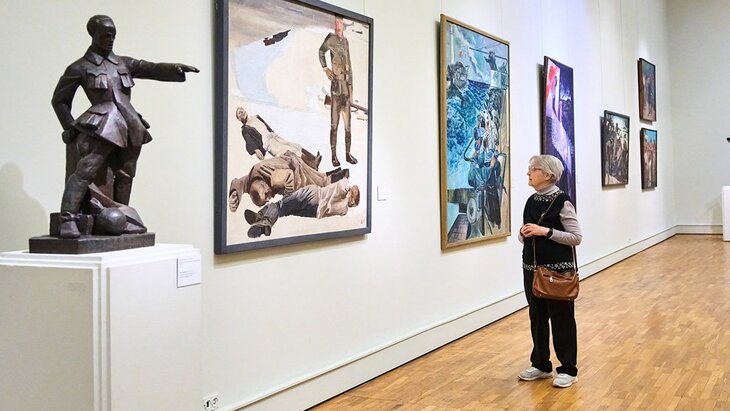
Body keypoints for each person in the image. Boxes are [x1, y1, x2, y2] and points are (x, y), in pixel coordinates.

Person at [51, 15, 199, 238]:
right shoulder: (79, 67)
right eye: (105, 35)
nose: (110, 39)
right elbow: (60, 100)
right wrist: (69, 126)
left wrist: (174, 69)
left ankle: (121, 217)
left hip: (129, 123)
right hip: (101, 124)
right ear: (93, 34)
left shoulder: (123, 63)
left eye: (113, 35)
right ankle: (68, 219)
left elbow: (150, 68)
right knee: (86, 170)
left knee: (126, 174)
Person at [518, 154, 582, 388]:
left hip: (557, 273)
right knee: (537, 317)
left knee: (561, 319)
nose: (528, 172)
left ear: (548, 175)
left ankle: (568, 369)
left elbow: (576, 237)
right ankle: (540, 364)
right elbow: (526, 235)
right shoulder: (531, 200)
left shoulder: (562, 201)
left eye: (533, 169)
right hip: (531, 269)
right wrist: (523, 233)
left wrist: (545, 231)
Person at [228, 150, 348, 210]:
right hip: (290, 160)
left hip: (294, 169)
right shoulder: (252, 180)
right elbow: (238, 182)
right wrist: (234, 192)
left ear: (263, 184)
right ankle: (339, 174)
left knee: (321, 184)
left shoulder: (274, 178)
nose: (269, 198)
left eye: (266, 195)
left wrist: (289, 196)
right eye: (266, 200)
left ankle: (342, 175)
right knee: (319, 178)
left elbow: (289, 176)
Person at [244, 178, 360, 238]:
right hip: (315, 212)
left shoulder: (344, 190)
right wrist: (350, 196)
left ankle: (264, 221)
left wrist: (350, 189)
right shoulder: (344, 210)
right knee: (283, 210)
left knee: (280, 206)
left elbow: (343, 185)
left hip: (314, 195)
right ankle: (260, 218)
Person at [319, 16, 356, 167]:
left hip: (346, 89)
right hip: (335, 89)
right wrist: (326, 69)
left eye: (340, 21)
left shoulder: (346, 41)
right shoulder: (330, 38)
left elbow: (350, 66)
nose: (337, 24)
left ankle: (347, 154)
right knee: (334, 126)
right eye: (336, 21)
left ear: (343, 24)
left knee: (348, 127)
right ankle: (334, 156)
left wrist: (351, 90)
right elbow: (321, 52)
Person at [235, 107, 321, 170]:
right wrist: (257, 151)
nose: (241, 113)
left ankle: (314, 159)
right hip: (269, 144)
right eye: (239, 113)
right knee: (290, 151)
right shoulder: (245, 129)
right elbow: (250, 142)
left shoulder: (256, 117)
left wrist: (274, 134)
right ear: (239, 119)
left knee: (295, 146)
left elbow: (266, 126)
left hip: (274, 137)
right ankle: (312, 166)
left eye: (242, 110)